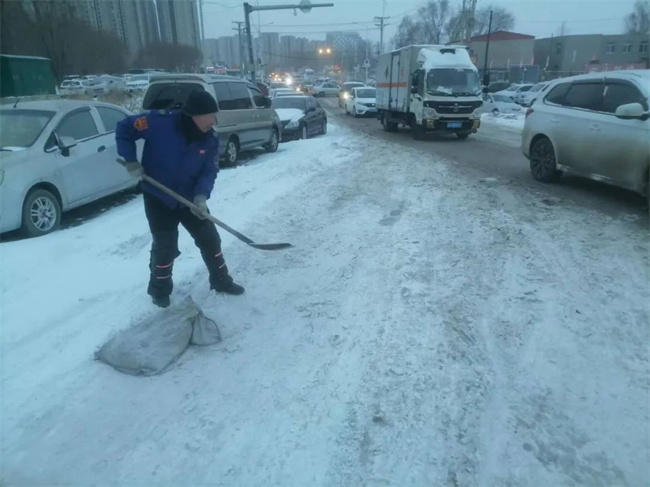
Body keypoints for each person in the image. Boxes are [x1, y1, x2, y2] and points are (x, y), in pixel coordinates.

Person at [115, 90, 244, 308]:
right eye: (210, 115)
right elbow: (124, 128)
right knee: (165, 246)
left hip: (191, 200)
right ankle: (159, 291)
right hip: (158, 197)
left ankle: (221, 281)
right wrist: (130, 160)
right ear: (195, 114)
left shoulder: (210, 139)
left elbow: (209, 171)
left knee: (210, 239)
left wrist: (201, 196)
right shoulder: (159, 123)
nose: (214, 121)